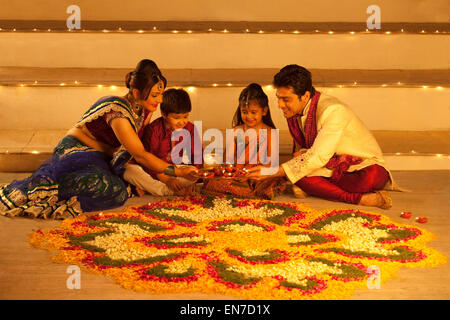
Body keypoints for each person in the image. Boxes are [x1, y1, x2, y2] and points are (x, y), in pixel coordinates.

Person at [0, 59, 197, 219]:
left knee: (119, 187)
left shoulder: (145, 108)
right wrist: (177, 171)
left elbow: (133, 151)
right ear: (136, 93)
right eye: (155, 94)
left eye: (161, 94)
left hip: (103, 156)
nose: (160, 100)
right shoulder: (118, 113)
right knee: (110, 189)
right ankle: (45, 189)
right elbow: (142, 155)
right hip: (77, 152)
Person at [247, 65, 399, 209]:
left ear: (305, 96)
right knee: (299, 175)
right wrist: (300, 157)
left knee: (368, 179)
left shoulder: (333, 110)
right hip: (328, 165)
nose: (280, 105)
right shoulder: (295, 110)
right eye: (278, 98)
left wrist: (274, 171)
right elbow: (309, 151)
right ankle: (362, 198)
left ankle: (353, 198)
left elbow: (319, 155)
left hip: (361, 166)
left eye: (286, 99)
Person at [202, 83, 286, 199]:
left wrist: (254, 174)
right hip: (239, 176)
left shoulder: (270, 133)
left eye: (253, 112)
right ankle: (248, 193)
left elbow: (270, 164)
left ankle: (249, 192)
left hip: (260, 177)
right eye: (244, 112)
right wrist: (237, 173)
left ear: (264, 111)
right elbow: (228, 161)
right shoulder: (235, 132)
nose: (249, 117)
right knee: (214, 182)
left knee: (274, 181)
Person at [123, 88, 202, 196]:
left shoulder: (190, 128)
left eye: (186, 116)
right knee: (129, 171)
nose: (182, 122)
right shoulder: (154, 130)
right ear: (164, 114)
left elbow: (197, 159)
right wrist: (167, 180)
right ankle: (166, 191)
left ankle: (154, 189)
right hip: (153, 171)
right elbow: (149, 164)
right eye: (176, 117)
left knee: (193, 171)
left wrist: (193, 177)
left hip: (175, 169)